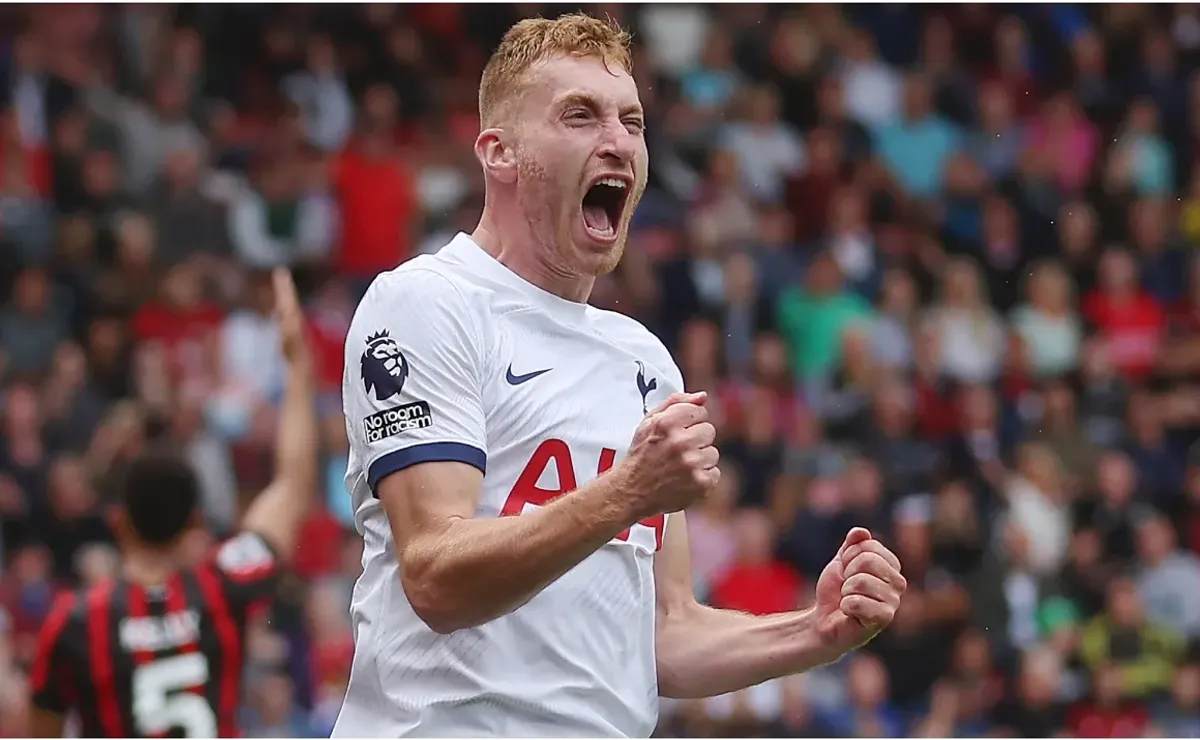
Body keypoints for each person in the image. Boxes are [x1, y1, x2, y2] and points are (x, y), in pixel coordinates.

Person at [333, 14, 906, 738]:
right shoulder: (427, 303)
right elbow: (436, 577)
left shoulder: (642, 360)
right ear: (498, 151)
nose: (618, 141)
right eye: (580, 115)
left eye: (632, 121)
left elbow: (665, 634)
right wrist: (626, 492)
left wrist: (814, 632)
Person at [27, 269, 319, 738]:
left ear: (119, 523)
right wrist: (296, 364)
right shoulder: (224, 585)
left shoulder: (75, 621)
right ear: (196, 525)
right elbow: (292, 485)